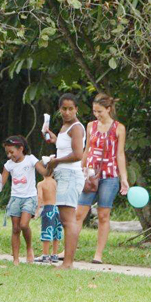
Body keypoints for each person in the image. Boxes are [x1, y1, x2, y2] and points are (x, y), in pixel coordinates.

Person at [76, 93, 129, 264]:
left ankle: (98, 254)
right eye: (94, 111)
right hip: (91, 175)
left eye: (100, 111)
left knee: (103, 215)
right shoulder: (91, 126)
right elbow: (87, 150)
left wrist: (124, 178)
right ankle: (68, 249)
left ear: (108, 109)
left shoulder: (118, 128)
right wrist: (80, 170)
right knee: (79, 214)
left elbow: (120, 154)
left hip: (110, 176)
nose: (97, 115)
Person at [44, 93, 85, 269]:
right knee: (65, 218)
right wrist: (55, 139)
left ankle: (68, 263)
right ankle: (67, 261)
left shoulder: (76, 127)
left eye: (70, 109)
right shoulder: (65, 127)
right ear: (59, 109)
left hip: (70, 175)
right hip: (63, 175)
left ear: (76, 109)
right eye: (64, 109)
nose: (67, 112)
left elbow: (78, 154)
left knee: (68, 221)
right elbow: (67, 147)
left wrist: (56, 161)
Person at [0, 135, 48, 265]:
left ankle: (29, 247)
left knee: (24, 224)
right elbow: (2, 181)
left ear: (21, 148)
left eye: (12, 152)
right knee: (15, 228)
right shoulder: (9, 165)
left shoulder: (30, 160)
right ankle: (15, 258)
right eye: (7, 153)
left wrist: (50, 163)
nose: (9, 155)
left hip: (29, 198)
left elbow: (44, 172)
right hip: (15, 198)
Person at [34, 169, 61, 264]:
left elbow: (40, 197)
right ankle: (54, 254)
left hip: (48, 208)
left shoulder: (41, 184)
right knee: (56, 232)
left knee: (46, 230)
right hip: (57, 209)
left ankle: (45, 254)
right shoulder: (56, 183)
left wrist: (37, 211)